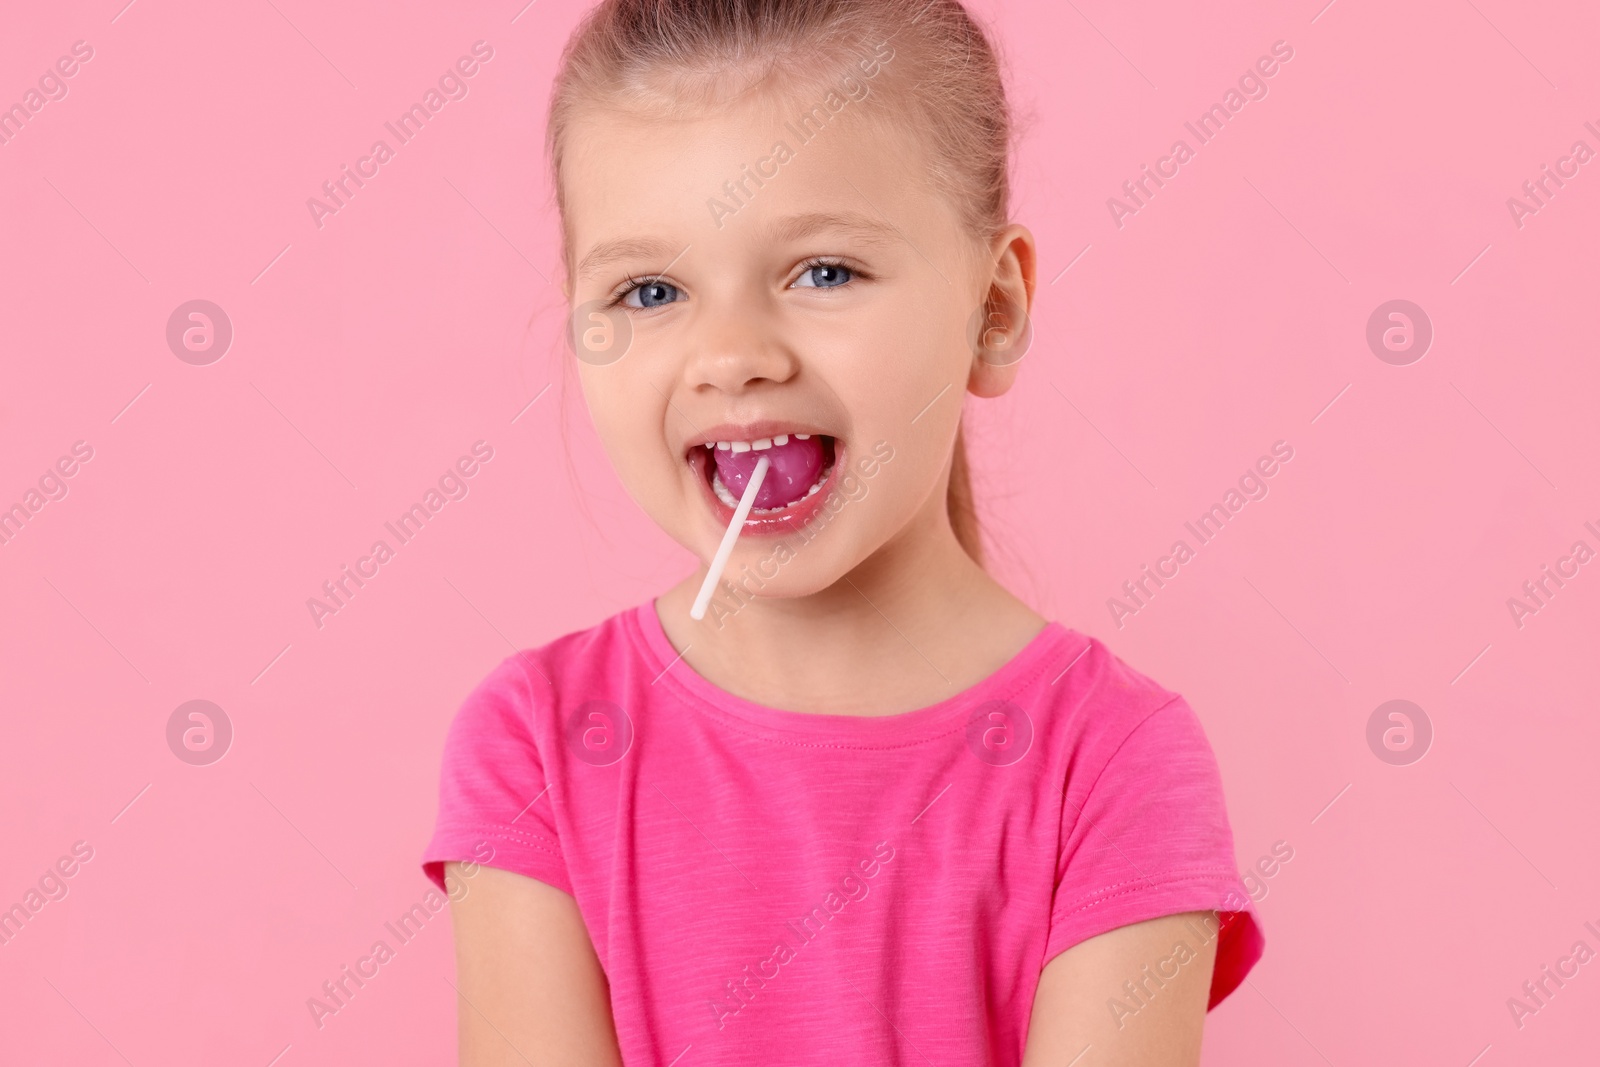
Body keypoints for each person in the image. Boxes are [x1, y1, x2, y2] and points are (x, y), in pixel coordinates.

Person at [423, 1, 1263, 1062]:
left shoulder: (1114, 763)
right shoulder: (533, 744)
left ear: (992, 312)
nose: (730, 354)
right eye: (650, 288)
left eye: (824, 271)